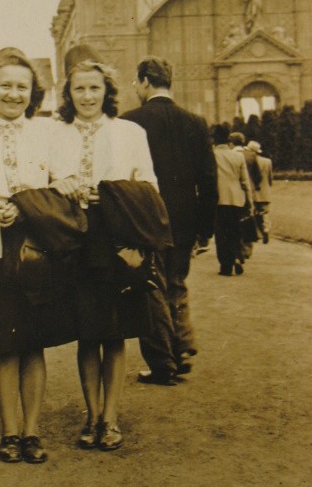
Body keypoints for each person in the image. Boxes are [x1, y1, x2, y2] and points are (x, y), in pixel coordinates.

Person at [0, 48, 76, 466]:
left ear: (32, 92)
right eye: (5, 85)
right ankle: (9, 432)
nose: (13, 93)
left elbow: (63, 185)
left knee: (34, 341)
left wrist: (27, 206)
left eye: (22, 86)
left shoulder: (47, 130)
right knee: (5, 343)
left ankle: (32, 432)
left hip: (36, 240)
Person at [49, 45, 169, 451]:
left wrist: (113, 194)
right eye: (79, 89)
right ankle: (92, 415)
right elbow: (43, 179)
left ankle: (111, 418)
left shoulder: (130, 133)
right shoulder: (55, 134)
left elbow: (149, 187)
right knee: (87, 333)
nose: (87, 96)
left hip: (115, 238)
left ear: (107, 90)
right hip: (74, 238)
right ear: (69, 93)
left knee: (115, 332)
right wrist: (60, 185)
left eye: (94, 88)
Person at [122, 56, 218, 383]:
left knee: (149, 287)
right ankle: (183, 345)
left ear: (146, 81)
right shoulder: (195, 122)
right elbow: (208, 181)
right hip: (185, 220)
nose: (135, 88)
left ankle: (162, 362)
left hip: (146, 217)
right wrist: (205, 229)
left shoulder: (129, 122)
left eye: (136, 82)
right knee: (176, 281)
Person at [212, 124, 254, 276]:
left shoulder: (211, 155)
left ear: (214, 139)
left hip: (219, 199)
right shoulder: (238, 156)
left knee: (221, 233)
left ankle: (226, 266)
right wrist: (250, 202)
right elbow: (245, 182)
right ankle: (237, 256)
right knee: (235, 231)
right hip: (237, 199)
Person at [247, 141, 273, 244]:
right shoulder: (268, 161)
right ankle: (266, 229)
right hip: (265, 191)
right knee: (265, 212)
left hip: (253, 191)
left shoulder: (249, 161)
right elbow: (270, 177)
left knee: (253, 213)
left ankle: (258, 233)